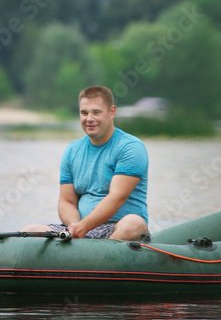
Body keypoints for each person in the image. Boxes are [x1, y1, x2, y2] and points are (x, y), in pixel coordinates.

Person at [22, 85, 149, 240]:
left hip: (117, 227)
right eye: (84, 113)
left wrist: (84, 226)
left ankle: (100, 260)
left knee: (134, 223)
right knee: (29, 230)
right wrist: (75, 226)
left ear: (112, 112)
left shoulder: (130, 147)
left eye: (96, 112)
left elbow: (117, 198)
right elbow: (67, 201)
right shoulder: (72, 151)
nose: (89, 119)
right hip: (80, 228)